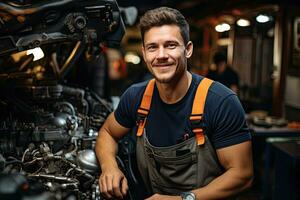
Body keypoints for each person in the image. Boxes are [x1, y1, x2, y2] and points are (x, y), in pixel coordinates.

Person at [95, 7, 253, 200]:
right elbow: (107, 133)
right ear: (144, 53)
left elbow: (242, 175)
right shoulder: (136, 97)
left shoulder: (220, 102)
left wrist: (181, 199)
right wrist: (109, 167)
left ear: (187, 50)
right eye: (153, 47)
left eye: (170, 45)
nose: (161, 55)